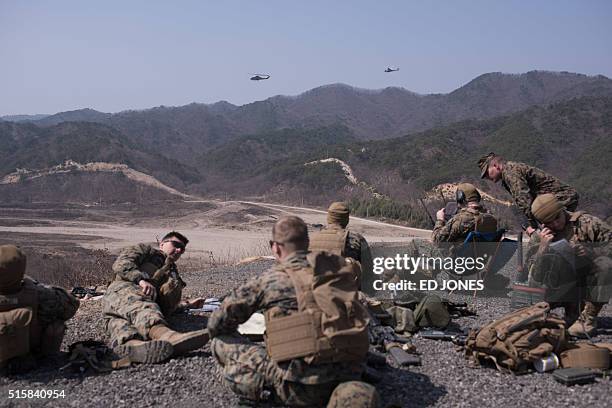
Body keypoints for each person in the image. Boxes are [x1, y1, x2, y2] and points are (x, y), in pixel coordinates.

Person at [208, 216, 377, 407]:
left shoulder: (269, 280)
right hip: (349, 374)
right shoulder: (338, 272)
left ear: (275, 247)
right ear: (307, 242)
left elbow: (216, 323)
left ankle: (267, 395)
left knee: (219, 341)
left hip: (297, 388)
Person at [103, 231, 208, 363]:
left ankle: (132, 346)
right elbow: (121, 263)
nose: (179, 250)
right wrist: (140, 280)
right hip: (123, 290)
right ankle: (165, 335)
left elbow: (165, 305)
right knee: (140, 301)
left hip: (123, 308)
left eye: (182, 249)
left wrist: (186, 304)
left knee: (118, 323)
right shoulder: (146, 251)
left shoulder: (172, 273)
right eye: (175, 244)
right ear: (162, 244)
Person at [528, 194, 611, 337]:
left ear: (563, 210)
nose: (555, 224)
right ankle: (557, 313)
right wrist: (542, 249)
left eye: (557, 218)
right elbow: (532, 278)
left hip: (584, 284)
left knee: (605, 264)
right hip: (556, 286)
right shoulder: (540, 236)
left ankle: (588, 318)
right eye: (548, 222)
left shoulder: (587, 223)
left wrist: (593, 251)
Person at [0, 245, 79, 371]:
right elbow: (71, 306)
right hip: (36, 357)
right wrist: (36, 286)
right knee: (55, 323)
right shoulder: (41, 296)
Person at [478, 152, 578, 236]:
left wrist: (533, 226)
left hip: (560, 198)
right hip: (558, 198)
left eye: (487, 172)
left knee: (555, 230)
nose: (487, 177)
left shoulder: (510, 173)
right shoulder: (510, 171)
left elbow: (524, 200)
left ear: (496, 166)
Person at [309, 201, 373, 287]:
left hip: (314, 293)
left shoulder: (311, 238)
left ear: (329, 218)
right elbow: (369, 275)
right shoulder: (356, 240)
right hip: (344, 294)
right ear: (346, 219)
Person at [432, 183, 498, 244]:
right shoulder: (490, 216)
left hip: (460, 255)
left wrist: (440, 220)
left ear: (460, 197)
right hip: (483, 254)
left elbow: (437, 240)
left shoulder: (461, 219)